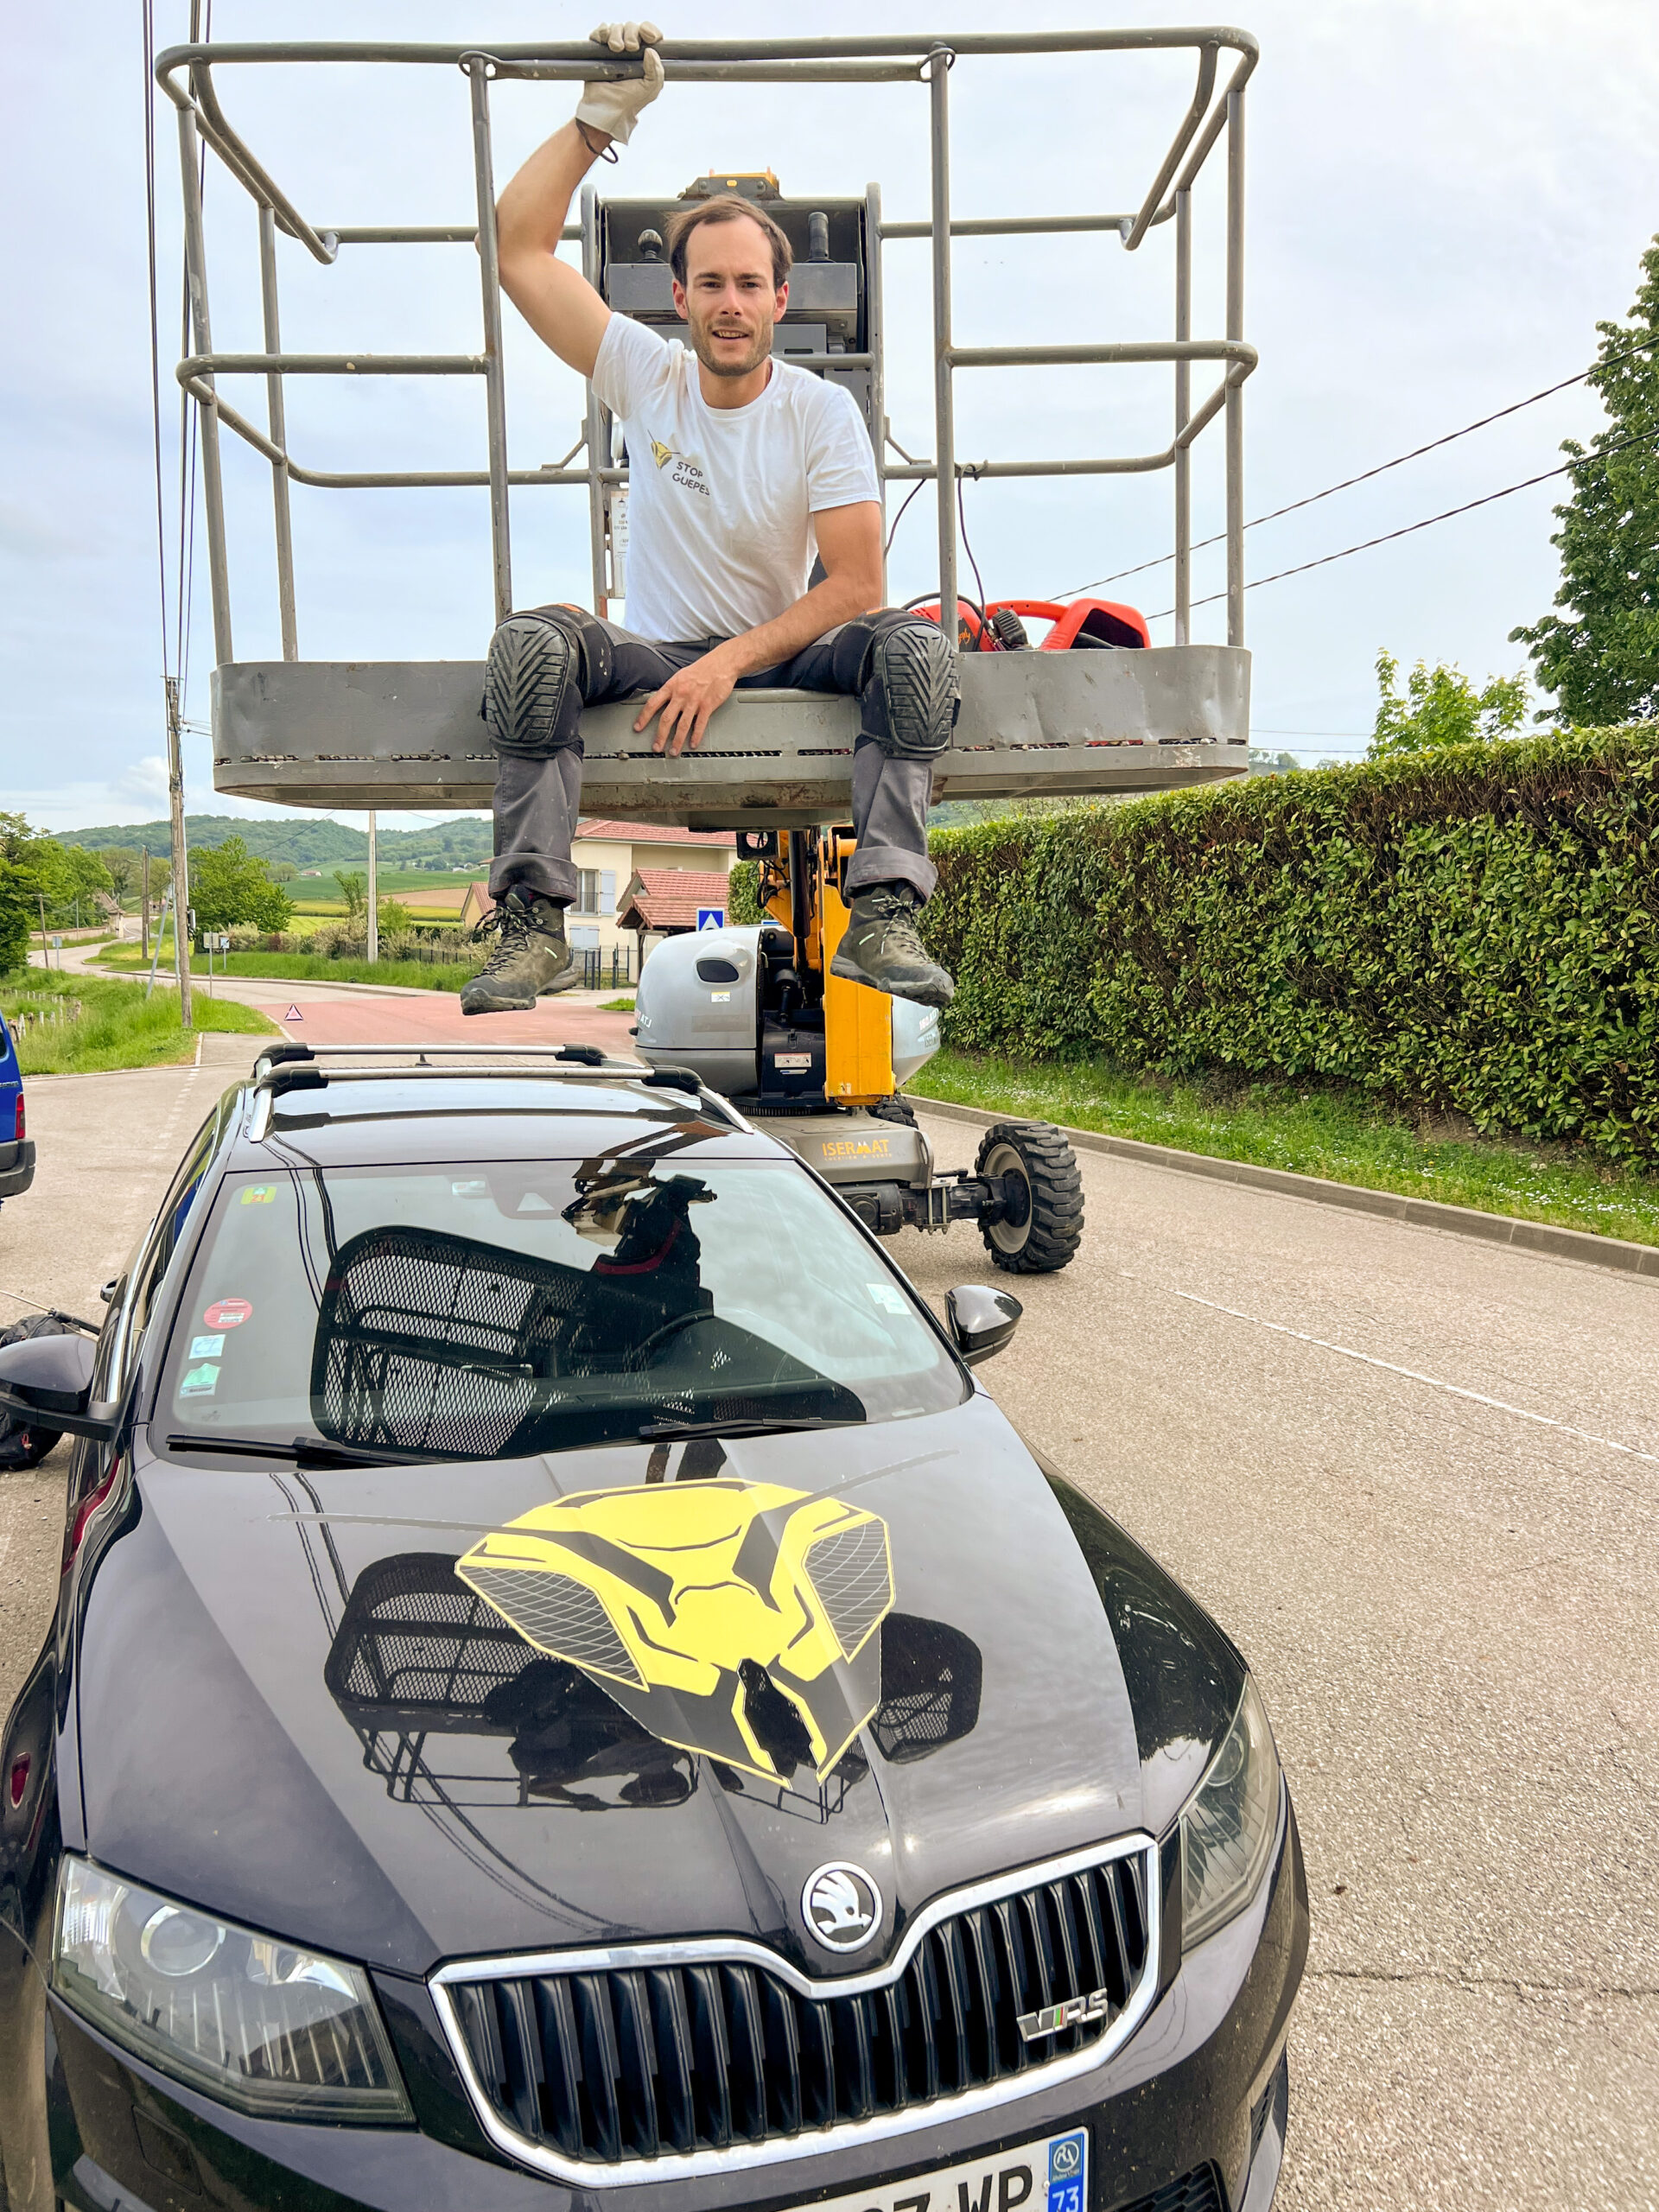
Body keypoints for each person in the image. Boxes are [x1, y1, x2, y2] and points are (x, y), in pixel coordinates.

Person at [462, 19, 957, 1016]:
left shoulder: (820, 409)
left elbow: (859, 586)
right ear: (679, 298)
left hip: (774, 650)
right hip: (657, 648)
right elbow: (518, 250)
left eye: (749, 285)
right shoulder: (648, 376)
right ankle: (532, 930)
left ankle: (887, 912)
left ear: (781, 298)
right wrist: (599, 118)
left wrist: (729, 661)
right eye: (711, 286)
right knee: (530, 646)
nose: (730, 304)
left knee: (915, 649)